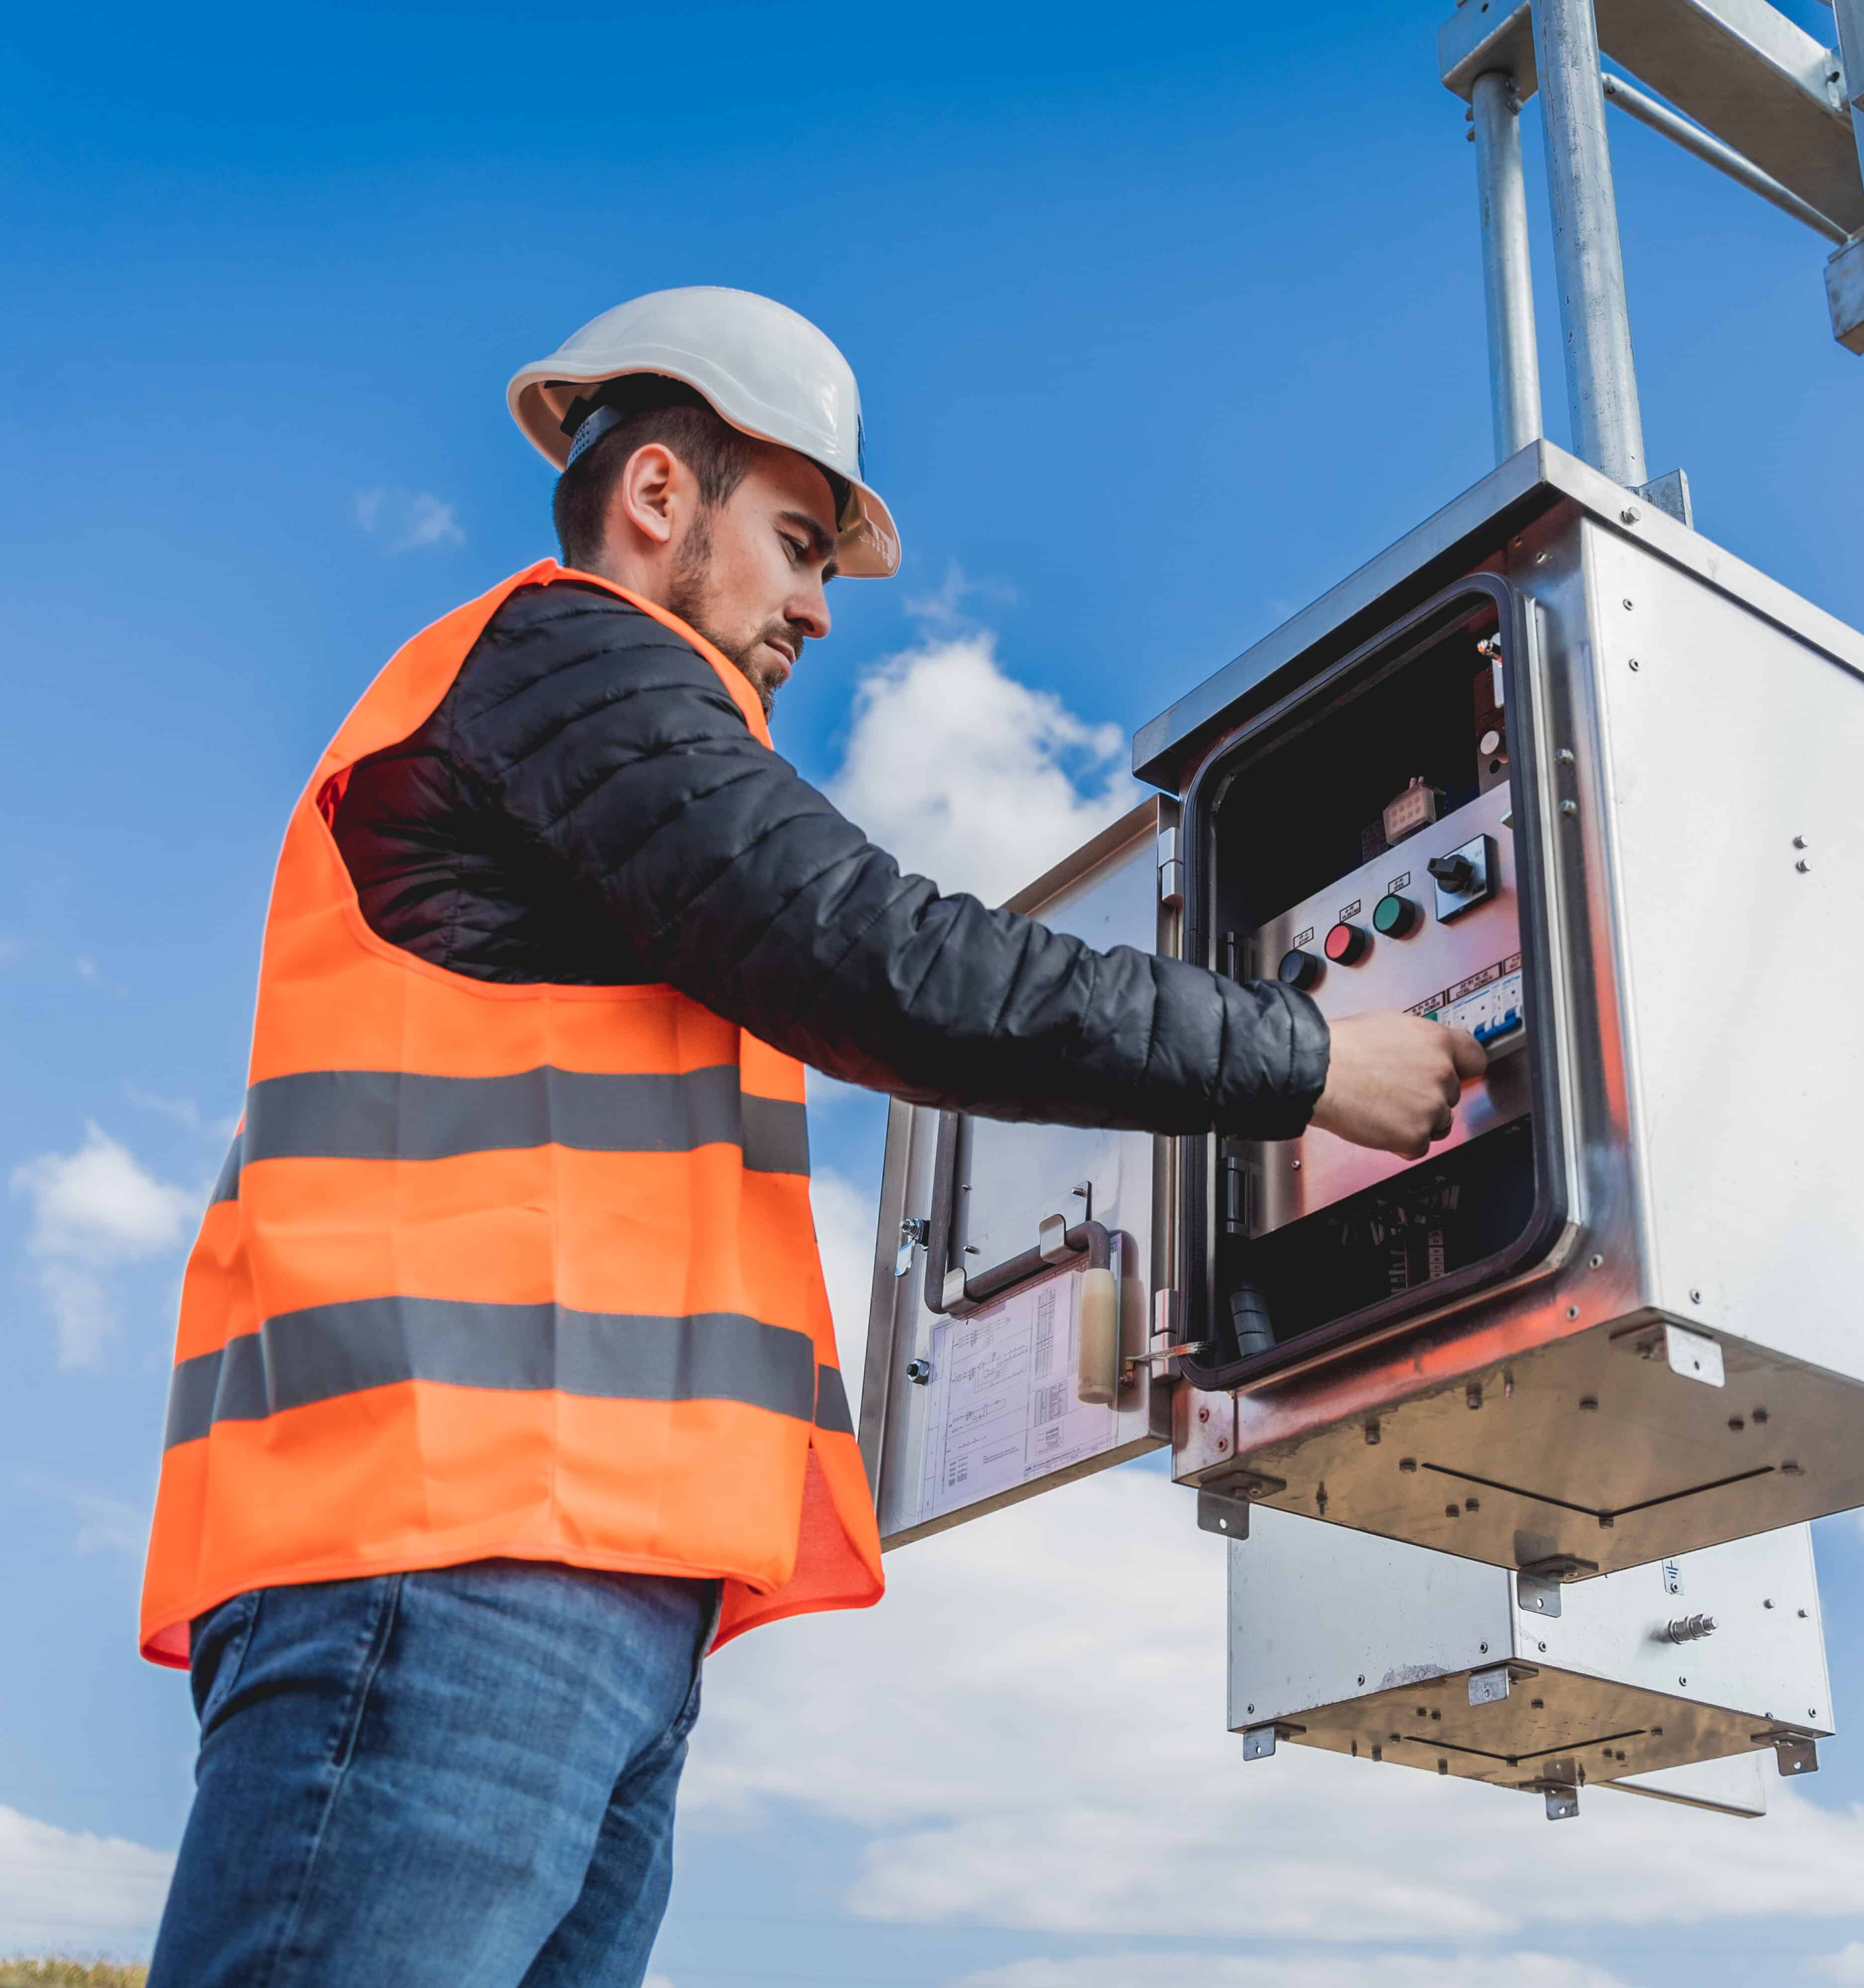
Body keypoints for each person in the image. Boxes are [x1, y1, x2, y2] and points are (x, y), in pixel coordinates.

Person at [141, 287, 1484, 1988]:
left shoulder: (586, 767)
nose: (816, 610)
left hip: (592, 1593)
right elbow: (885, 961)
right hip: (452, 1554)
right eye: (795, 543)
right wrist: (1306, 1060)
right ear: (654, 500)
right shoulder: (568, 658)